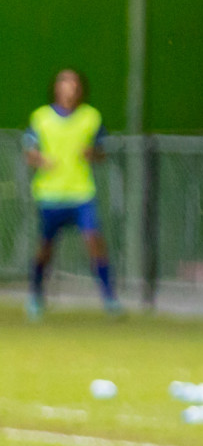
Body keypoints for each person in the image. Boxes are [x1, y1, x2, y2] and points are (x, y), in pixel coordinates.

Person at [22, 69, 118, 320]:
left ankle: (109, 298)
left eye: (74, 83)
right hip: (50, 194)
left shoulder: (91, 117)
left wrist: (93, 154)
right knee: (45, 247)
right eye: (64, 82)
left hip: (81, 193)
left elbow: (102, 150)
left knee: (94, 240)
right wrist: (39, 158)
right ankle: (35, 296)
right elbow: (28, 149)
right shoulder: (41, 117)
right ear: (56, 87)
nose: (70, 88)